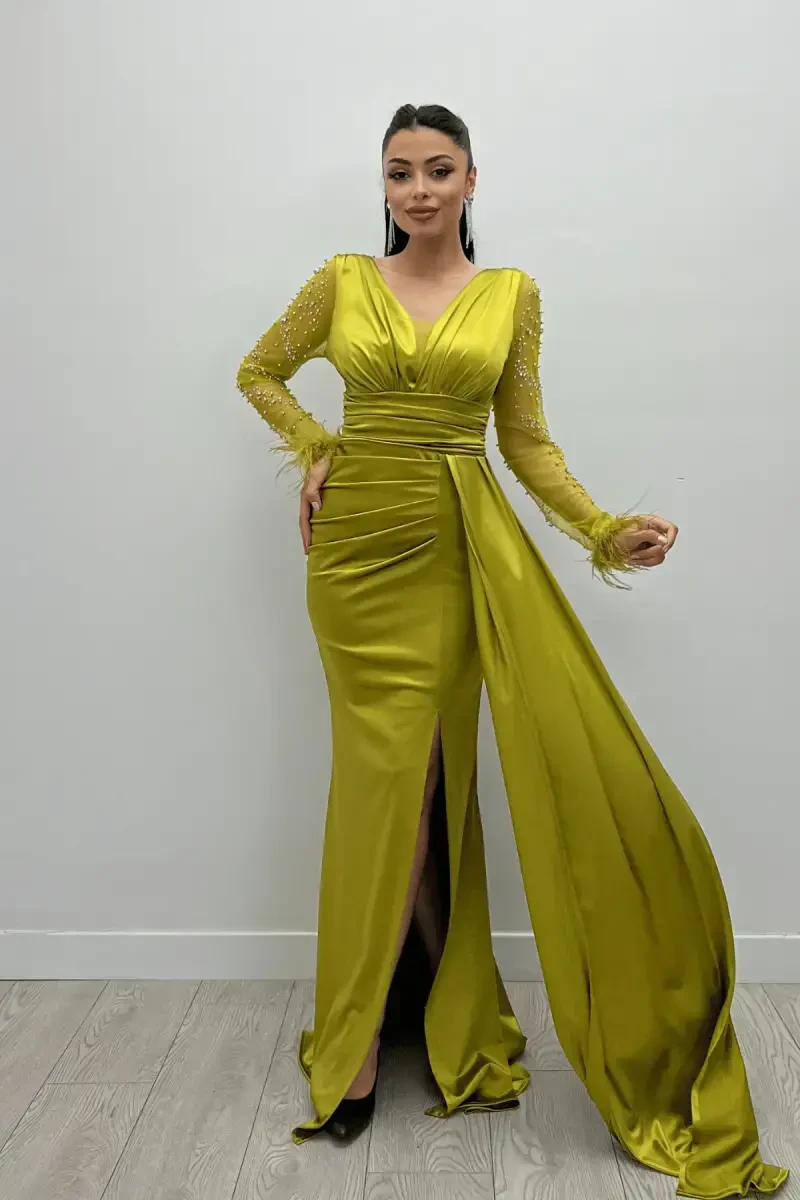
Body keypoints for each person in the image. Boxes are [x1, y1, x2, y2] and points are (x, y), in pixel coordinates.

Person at [235, 103, 789, 1198]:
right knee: (382, 785)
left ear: (471, 180)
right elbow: (259, 370)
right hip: (353, 558)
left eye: (438, 170)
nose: (418, 189)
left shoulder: (510, 295)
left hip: (452, 557)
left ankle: (398, 1020)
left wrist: (601, 531)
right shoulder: (341, 280)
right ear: (382, 185)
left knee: (425, 783)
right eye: (400, 172)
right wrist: (315, 446)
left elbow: (525, 439)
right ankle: (360, 1035)